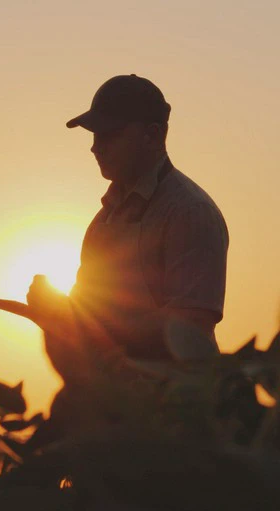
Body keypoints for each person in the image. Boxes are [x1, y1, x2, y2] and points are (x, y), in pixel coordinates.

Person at [26, 74, 229, 384]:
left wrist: (77, 321)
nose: (96, 148)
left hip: (178, 410)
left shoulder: (190, 212)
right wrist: (54, 310)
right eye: (94, 136)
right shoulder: (103, 221)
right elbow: (87, 312)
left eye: (110, 135)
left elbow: (191, 325)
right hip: (112, 399)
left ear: (153, 135)